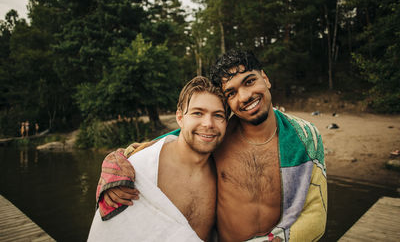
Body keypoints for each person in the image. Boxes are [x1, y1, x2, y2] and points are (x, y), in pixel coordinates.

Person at [99, 50, 327, 241]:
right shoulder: (219, 135)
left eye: (249, 81)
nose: (245, 96)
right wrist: (117, 162)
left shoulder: (304, 137)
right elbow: (174, 139)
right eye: (232, 92)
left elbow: (317, 212)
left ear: (265, 79)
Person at [88, 76, 229, 241]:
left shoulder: (224, 170)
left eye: (218, 115)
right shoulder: (134, 168)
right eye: (198, 113)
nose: (208, 124)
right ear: (180, 118)